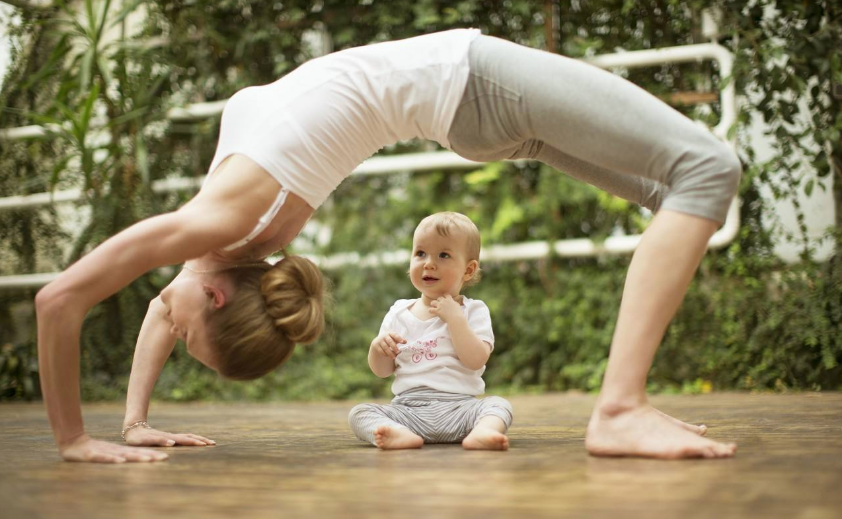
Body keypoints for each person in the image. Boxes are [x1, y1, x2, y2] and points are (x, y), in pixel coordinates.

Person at [35, 28, 741, 463]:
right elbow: (152, 304)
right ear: (220, 293)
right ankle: (620, 408)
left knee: (664, 190)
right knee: (707, 168)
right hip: (471, 85)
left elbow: (66, 298)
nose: (163, 311)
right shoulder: (227, 231)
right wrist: (126, 424)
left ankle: (629, 404)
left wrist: (94, 432)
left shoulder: (225, 230)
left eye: (182, 330)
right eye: (183, 324)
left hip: (472, 109)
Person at [348, 212, 513, 450]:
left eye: (443, 255)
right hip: (408, 411)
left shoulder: (473, 311)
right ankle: (399, 434)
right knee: (359, 412)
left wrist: (455, 319)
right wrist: (378, 349)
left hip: (460, 410)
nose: (429, 263)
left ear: (468, 270)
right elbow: (383, 371)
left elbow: (476, 360)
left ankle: (483, 431)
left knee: (498, 405)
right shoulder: (399, 312)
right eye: (420, 253)